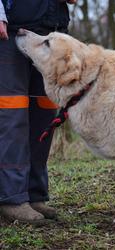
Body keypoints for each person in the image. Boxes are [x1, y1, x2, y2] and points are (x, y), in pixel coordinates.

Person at [0, 0, 76, 223]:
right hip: (9, 31)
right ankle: (12, 198)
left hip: (50, 31)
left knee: (44, 113)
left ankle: (34, 194)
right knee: (12, 116)